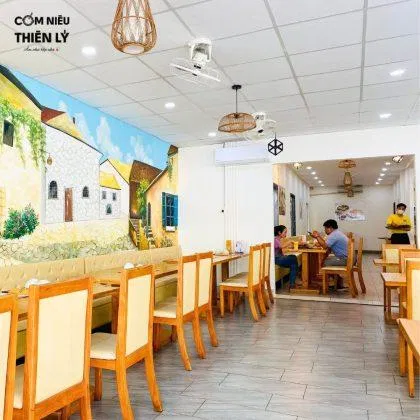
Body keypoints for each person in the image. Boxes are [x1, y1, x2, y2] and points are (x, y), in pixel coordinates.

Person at [274, 225, 299, 289]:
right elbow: (281, 246)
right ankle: (292, 284)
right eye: (285, 232)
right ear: (279, 232)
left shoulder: (278, 239)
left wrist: (286, 253)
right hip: (276, 259)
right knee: (294, 258)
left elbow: (280, 250)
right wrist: (289, 241)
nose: (286, 234)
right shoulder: (275, 239)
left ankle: (292, 284)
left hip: (279, 258)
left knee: (293, 263)